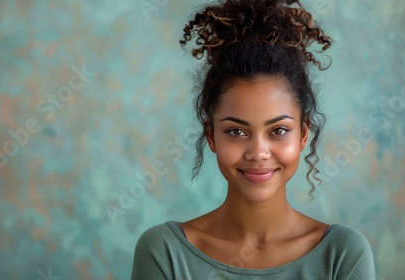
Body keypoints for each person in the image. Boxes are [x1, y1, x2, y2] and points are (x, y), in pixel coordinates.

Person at [131, 0, 376, 279]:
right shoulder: (165, 252)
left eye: (278, 131)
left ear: (303, 134)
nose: (258, 152)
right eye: (237, 131)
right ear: (211, 135)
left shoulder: (343, 254)